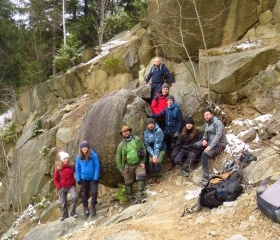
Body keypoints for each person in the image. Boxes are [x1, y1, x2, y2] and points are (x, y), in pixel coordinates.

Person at [193, 109, 227, 186]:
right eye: (205, 115)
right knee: (195, 145)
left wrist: (210, 147)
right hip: (209, 142)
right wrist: (204, 139)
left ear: (212, 114)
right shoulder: (206, 123)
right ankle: (200, 159)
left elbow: (218, 135)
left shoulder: (218, 122)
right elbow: (205, 133)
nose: (206, 116)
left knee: (205, 154)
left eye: (207, 114)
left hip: (219, 144)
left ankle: (206, 177)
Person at [116, 125, 147, 204]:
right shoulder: (121, 145)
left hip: (138, 163)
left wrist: (143, 161)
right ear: (122, 134)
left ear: (129, 131)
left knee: (141, 176)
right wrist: (121, 169)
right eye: (124, 132)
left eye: (127, 131)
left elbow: (143, 149)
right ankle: (132, 199)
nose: (126, 133)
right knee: (128, 182)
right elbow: (118, 158)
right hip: (128, 166)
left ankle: (140, 196)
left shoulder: (137, 139)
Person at [147, 95, 183, 163]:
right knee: (164, 141)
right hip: (167, 129)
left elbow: (180, 121)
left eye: (171, 100)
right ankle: (167, 155)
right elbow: (160, 114)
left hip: (174, 130)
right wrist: (151, 115)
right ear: (167, 101)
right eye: (168, 100)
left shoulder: (177, 109)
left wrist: (178, 131)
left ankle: (174, 159)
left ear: (173, 101)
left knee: (174, 144)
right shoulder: (166, 108)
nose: (170, 102)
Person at [76, 141, 100, 216]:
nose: (84, 149)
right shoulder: (79, 157)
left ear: (88, 147)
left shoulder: (94, 155)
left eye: (85, 147)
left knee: (94, 192)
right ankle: (85, 207)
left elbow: (97, 166)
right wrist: (78, 178)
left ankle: (93, 206)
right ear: (81, 149)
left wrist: (96, 176)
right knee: (84, 193)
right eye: (82, 147)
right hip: (84, 178)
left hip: (93, 177)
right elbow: (77, 168)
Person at [54, 151, 78, 222]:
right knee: (63, 202)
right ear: (62, 159)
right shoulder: (58, 168)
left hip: (71, 185)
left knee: (75, 196)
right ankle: (64, 215)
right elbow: (55, 179)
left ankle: (72, 212)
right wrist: (59, 187)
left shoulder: (72, 166)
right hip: (62, 186)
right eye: (65, 159)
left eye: (67, 158)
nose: (66, 160)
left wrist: (77, 178)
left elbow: (77, 171)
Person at [143, 118, 167, 185]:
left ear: (154, 124)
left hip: (161, 149)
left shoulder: (158, 131)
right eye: (149, 124)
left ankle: (158, 176)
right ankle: (153, 177)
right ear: (147, 125)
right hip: (152, 151)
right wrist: (153, 154)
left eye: (152, 124)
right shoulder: (146, 133)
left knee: (156, 163)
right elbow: (147, 145)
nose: (151, 125)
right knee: (150, 164)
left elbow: (158, 144)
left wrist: (155, 156)